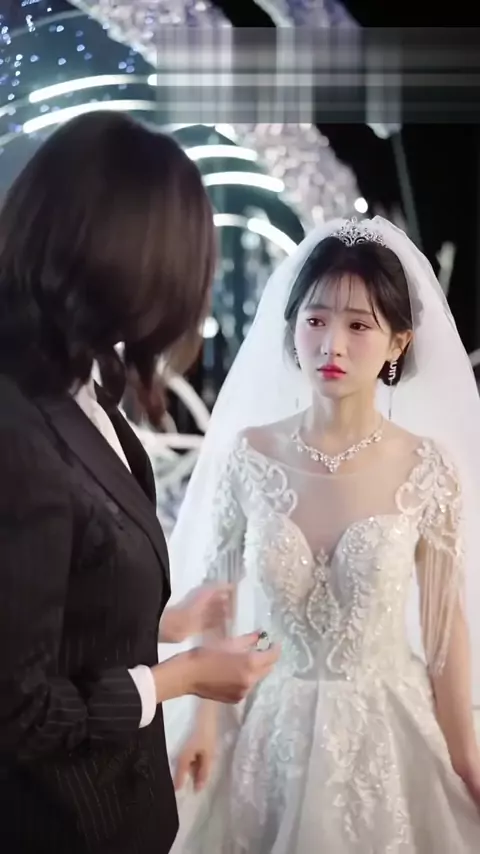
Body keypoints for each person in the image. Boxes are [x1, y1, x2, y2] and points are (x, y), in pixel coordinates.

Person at [0, 111, 279, 854]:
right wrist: (179, 677)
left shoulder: (85, 384)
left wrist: (155, 622)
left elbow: (45, 608)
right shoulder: (18, 428)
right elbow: (19, 709)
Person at [166, 216, 480, 852]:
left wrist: (466, 758)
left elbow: (444, 631)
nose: (332, 344)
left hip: (389, 731)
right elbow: (217, 599)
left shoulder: (426, 467)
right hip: (268, 730)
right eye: (315, 320)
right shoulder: (251, 453)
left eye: (358, 326)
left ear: (397, 343)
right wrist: (203, 722)